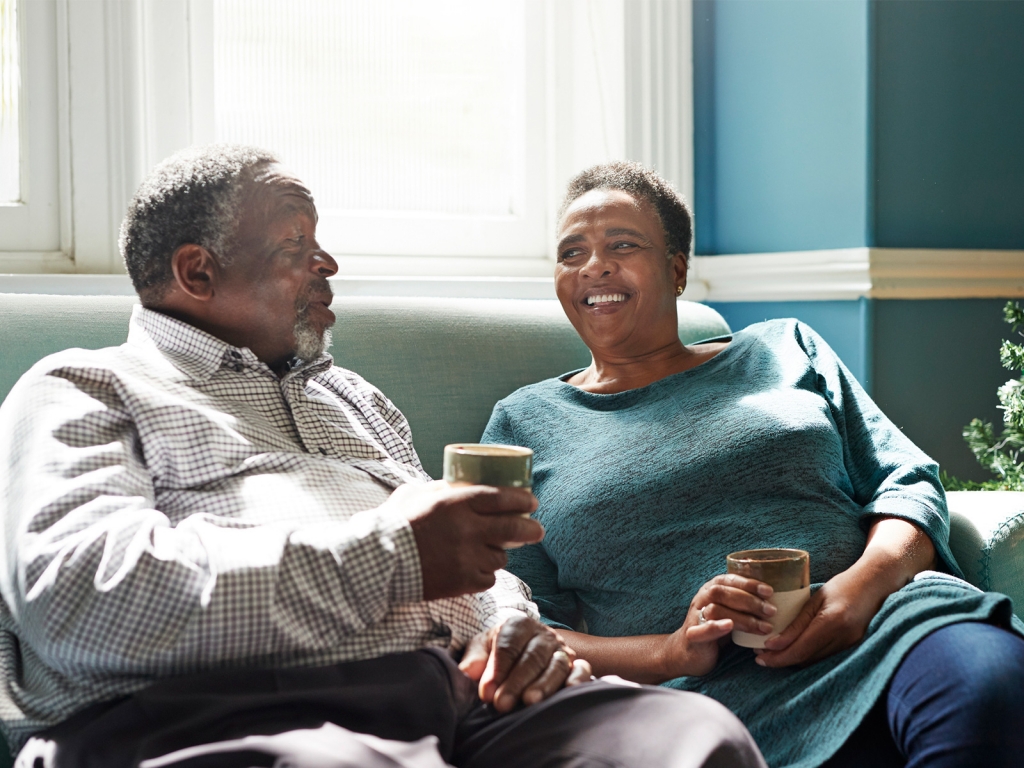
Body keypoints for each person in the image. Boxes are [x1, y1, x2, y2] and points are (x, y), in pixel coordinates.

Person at [0, 146, 767, 768]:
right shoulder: (84, 388)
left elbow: (472, 569)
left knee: (692, 741)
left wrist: (514, 628)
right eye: (298, 246)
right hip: (225, 713)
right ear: (198, 272)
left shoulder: (354, 399)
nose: (327, 265)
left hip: (460, 700)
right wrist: (394, 554)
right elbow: (77, 600)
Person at [481, 160, 1024, 768]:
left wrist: (859, 592)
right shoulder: (523, 423)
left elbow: (907, 482)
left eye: (622, 245)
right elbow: (513, 617)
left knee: (990, 692)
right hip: (706, 696)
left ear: (677, 269)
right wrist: (670, 652)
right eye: (571, 251)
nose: (594, 266)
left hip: (884, 626)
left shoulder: (785, 348)